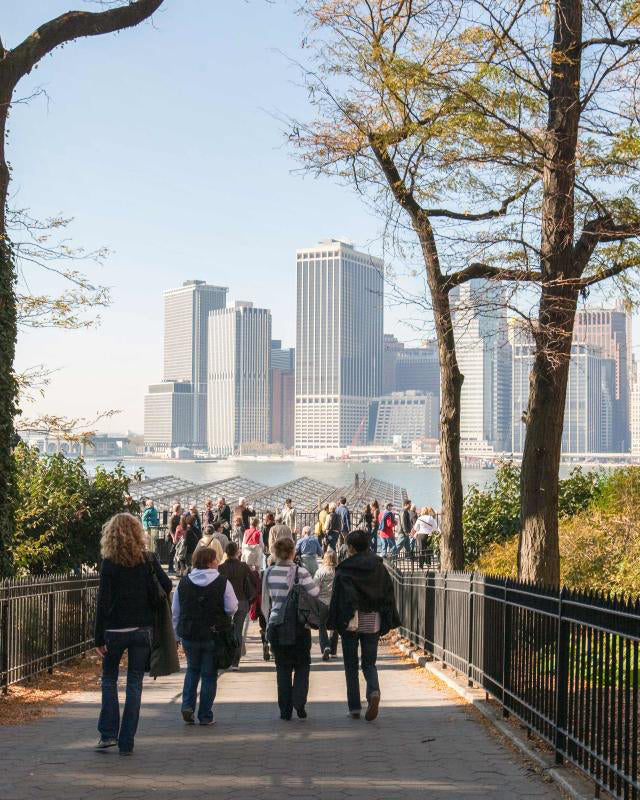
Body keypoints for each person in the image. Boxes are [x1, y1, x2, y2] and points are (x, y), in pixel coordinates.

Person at [94, 513, 172, 754]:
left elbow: (103, 601)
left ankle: (108, 735)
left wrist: (98, 637)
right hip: (142, 629)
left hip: (115, 629)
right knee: (134, 682)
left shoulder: (109, 563)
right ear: (139, 534)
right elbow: (167, 585)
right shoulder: (147, 559)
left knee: (109, 679)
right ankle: (127, 740)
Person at [328, 529, 400, 722]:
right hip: (372, 620)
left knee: (350, 665)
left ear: (351, 548)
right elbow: (387, 593)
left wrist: (334, 622)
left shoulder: (345, 569)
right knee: (369, 663)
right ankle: (374, 692)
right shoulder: (379, 566)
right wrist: (389, 618)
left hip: (351, 621)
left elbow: (338, 597)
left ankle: (354, 707)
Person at [172, 547, 238, 726]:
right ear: (210, 562)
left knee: (192, 670)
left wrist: (176, 634)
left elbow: (176, 611)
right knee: (209, 674)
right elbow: (232, 607)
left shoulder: (184, 582)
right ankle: (205, 715)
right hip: (213, 633)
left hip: (190, 633)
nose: (217, 562)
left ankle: (187, 705)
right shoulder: (222, 582)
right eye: (215, 560)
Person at [263, 538, 320, 720]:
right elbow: (315, 593)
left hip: (276, 625)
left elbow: (265, 603)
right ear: (292, 552)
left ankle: (285, 710)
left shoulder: (268, 573)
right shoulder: (300, 572)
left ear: (275, 553)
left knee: (282, 668)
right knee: (303, 665)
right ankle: (299, 701)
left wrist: (269, 622)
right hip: (299, 626)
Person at [219, 541, 257, 670]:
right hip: (242, 601)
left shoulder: (221, 568)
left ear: (226, 552)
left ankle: (227, 658)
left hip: (225, 602)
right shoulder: (244, 567)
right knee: (238, 630)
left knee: (226, 630)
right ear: (237, 552)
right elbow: (254, 582)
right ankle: (235, 661)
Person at [314, 550, 339, 660]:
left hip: (322, 602)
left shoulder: (320, 571)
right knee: (334, 626)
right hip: (335, 602)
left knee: (322, 626)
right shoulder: (338, 572)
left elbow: (315, 588)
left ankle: (325, 646)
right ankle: (333, 650)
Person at [168, 502, 182, 574]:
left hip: (177, 537)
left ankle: (178, 567)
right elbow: (170, 529)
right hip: (172, 537)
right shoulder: (172, 517)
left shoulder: (178, 517)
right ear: (178, 509)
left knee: (178, 552)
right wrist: (173, 538)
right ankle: (170, 568)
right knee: (172, 552)